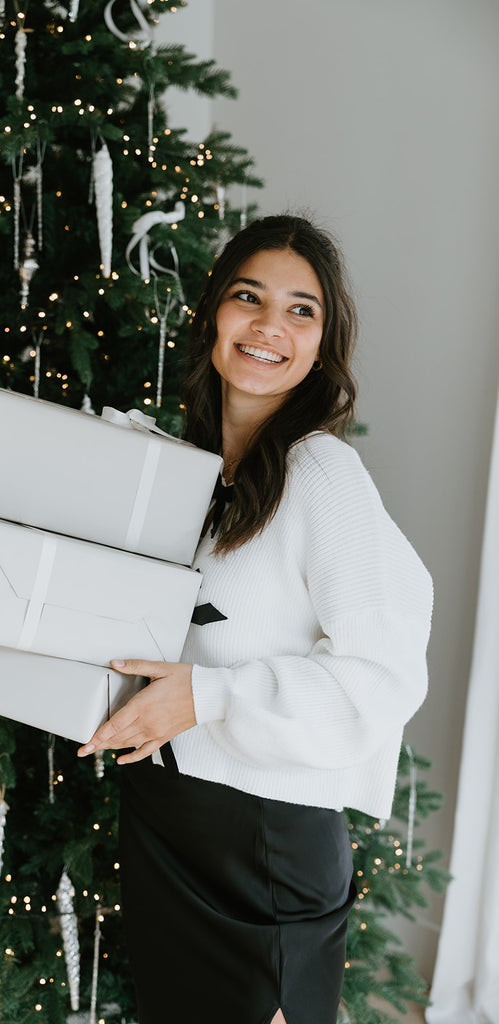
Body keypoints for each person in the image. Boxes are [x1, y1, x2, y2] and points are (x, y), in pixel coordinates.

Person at [78, 214, 433, 1024]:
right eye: (249, 297)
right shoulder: (189, 477)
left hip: (261, 851)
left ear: (320, 345)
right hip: (167, 826)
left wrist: (211, 698)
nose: (270, 325)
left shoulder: (322, 474)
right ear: (212, 314)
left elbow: (380, 677)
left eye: (300, 310)